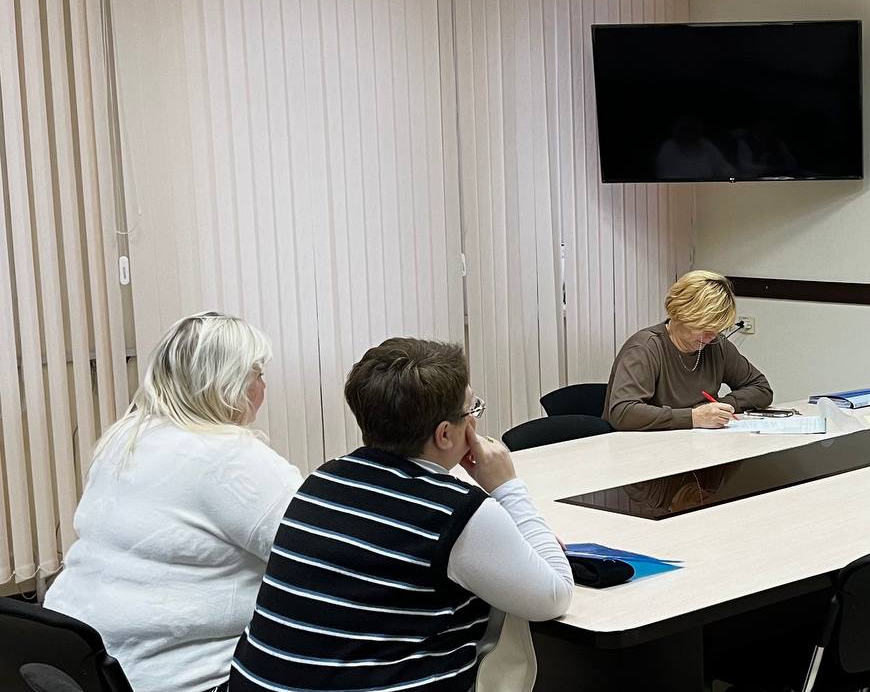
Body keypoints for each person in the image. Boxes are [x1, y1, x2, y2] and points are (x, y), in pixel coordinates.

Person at [229, 338, 572, 692]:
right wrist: (506, 485)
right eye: (470, 410)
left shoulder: (323, 479)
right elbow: (555, 594)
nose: (473, 420)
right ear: (444, 434)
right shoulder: (454, 512)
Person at [43, 312, 302, 692]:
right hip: (176, 679)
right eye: (257, 374)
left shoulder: (125, 438)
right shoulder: (231, 458)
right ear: (229, 384)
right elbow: (317, 555)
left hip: (76, 664)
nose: (263, 386)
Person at [605, 270, 773, 430]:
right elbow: (623, 413)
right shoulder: (645, 348)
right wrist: (693, 417)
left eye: (716, 329)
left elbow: (761, 388)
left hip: (695, 443)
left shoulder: (716, 344)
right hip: (642, 445)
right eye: (704, 327)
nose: (711, 337)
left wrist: (719, 407)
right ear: (680, 314)